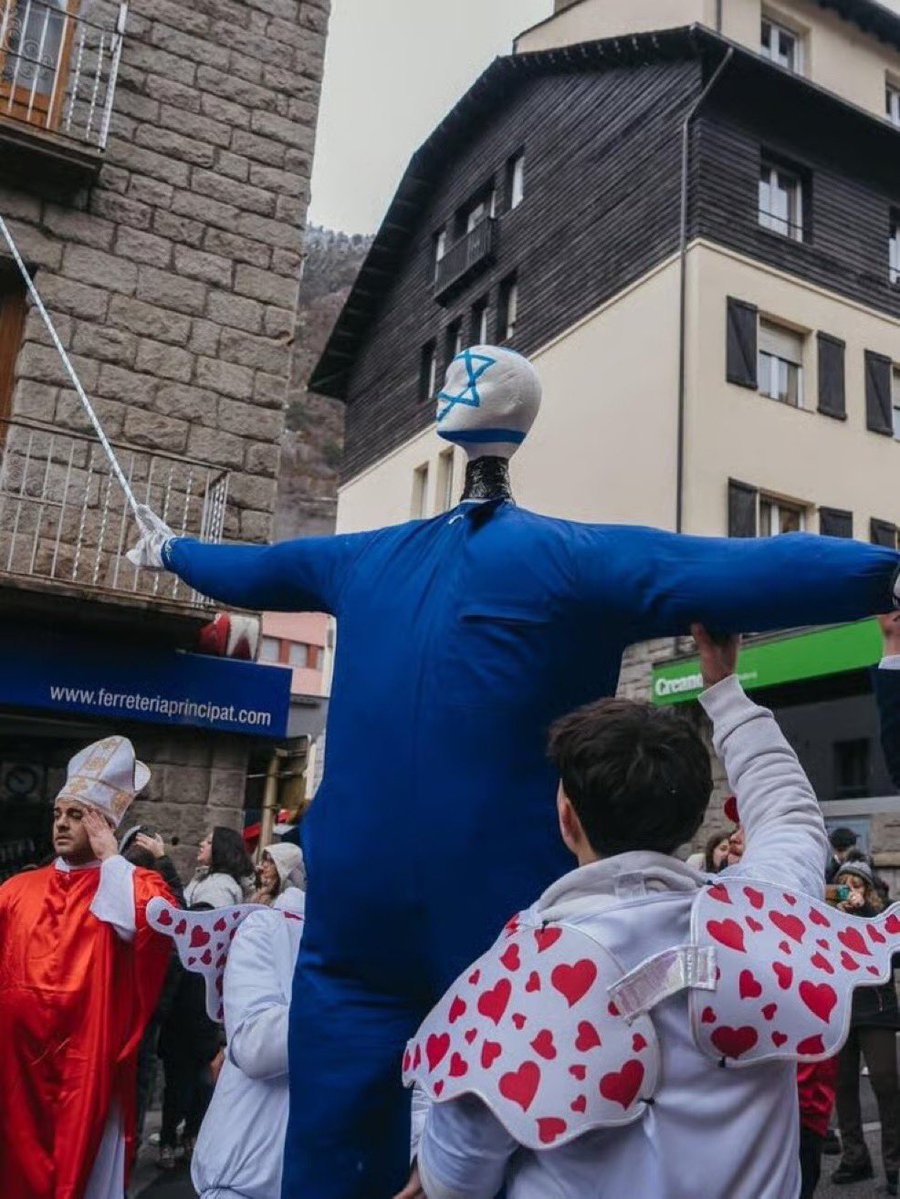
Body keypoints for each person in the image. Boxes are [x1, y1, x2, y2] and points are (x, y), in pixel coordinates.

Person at [128, 346, 900, 1199]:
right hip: (501, 921)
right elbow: (742, 570)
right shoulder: (571, 557)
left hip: (357, 922)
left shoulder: (361, 558)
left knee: (334, 1140)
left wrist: (174, 551)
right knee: (517, 1129)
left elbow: (251, 571)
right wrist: (880, 577)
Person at [396, 625, 831, 1199]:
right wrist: (724, 686)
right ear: (694, 815)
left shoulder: (510, 982)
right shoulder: (761, 919)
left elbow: (455, 1182)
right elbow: (791, 818)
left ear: (566, 818)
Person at [0, 737, 175, 1199]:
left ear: (104, 823)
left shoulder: (132, 882)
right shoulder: (17, 889)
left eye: (77, 815)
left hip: (88, 1066)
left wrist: (112, 857)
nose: (61, 822)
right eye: (58, 813)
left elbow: (154, 925)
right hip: (17, 1070)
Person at [191, 887, 305, 1199]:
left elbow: (414, 1080)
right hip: (247, 1181)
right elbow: (255, 1046)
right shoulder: (269, 928)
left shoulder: (398, 954)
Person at [830, 857, 900, 1194]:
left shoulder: (881, 915)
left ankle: (895, 1166)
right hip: (841, 1010)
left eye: (856, 884)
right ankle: (855, 1158)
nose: (851, 889)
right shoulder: (829, 916)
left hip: (877, 1010)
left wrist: (865, 914)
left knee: (887, 1084)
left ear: (868, 889)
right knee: (843, 1087)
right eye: (844, 883)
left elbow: (894, 955)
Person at [120, 824, 186, 1144]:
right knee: (136, 1088)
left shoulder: (113, 886)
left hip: (122, 1007)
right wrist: (164, 861)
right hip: (147, 1010)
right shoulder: (155, 896)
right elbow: (182, 925)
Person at [156, 902, 222, 1170]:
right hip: (181, 1038)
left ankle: (187, 1136)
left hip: (201, 1038)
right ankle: (170, 1139)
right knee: (179, 1092)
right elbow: (166, 1000)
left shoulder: (217, 959)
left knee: (200, 1090)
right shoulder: (179, 957)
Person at [186, 826, 255, 907]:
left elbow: (209, 917)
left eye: (209, 842)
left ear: (222, 849)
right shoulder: (208, 878)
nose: (201, 844)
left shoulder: (220, 887)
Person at [251, 841, 306, 908]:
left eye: (271, 862)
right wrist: (260, 890)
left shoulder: (288, 888)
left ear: (282, 866)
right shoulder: (257, 878)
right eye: (265, 859)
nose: (265, 865)